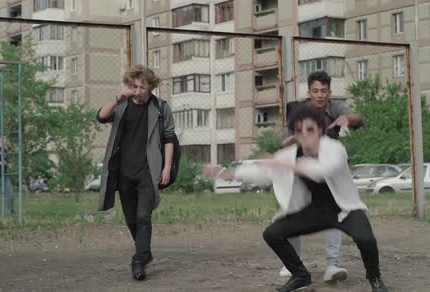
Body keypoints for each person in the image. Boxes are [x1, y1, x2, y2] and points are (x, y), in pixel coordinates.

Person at [204, 104, 386, 292]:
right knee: (272, 234)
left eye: (310, 129)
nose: (305, 134)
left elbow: (322, 171)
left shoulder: (334, 148)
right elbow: (262, 172)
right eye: (299, 130)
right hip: (315, 212)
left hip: (345, 209)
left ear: (320, 130)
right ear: (293, 134)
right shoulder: (289, 155)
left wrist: (286, 165)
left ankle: (375, 279)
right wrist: (224, 173)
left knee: (366, 239)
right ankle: (300, 276)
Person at [280, 71, 364, 282]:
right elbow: (284, 138)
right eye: (315, 91)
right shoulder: (299, 110)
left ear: (329, 92)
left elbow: (358, 118)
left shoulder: (334, 108)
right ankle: (293, 264)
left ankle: (332, 265)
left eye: (323, 91)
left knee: (333, 212)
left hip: (327, 170)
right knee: (293, 212)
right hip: (303, 167)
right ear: (309, 92)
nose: (319, 95)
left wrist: (346, 118)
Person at [96, 65, 175, 281]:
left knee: (143, 216)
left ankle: (138, 261)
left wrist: (166, 167)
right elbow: (101, 116)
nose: (137, 91)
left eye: (142, 87)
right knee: (131, 219)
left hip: (148, 172)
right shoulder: (121, 105)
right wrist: (117, 98)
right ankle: (145, 252)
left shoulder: (161, 108)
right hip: (123, 173)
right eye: (134, 86)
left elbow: (169, 138)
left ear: (151, 87)